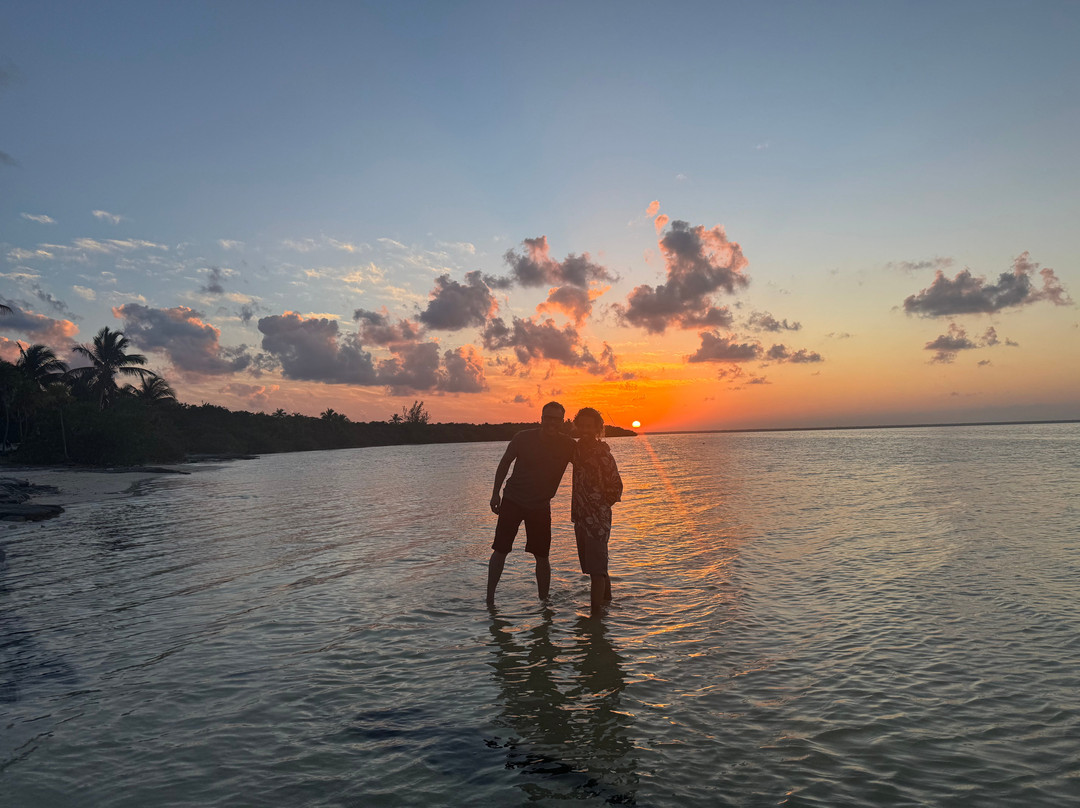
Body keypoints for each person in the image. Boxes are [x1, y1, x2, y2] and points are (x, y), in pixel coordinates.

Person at [487, 401, 576, 607]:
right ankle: (490, 599)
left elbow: (586, 464)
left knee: (542, 555)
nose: (551, 422)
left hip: (540, 506)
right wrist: (495, 494)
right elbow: (505, 463)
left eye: (556, 419)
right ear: (541, 418)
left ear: (562, 421)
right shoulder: (523, 438)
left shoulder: (569, 445)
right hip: (512, 501)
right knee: (501, 549)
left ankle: (544, 601)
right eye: (547, 418)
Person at [571, 407, 623, 614]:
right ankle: (607, 601)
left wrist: (600, 507)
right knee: (596, 567)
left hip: (597, 519)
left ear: (597, 428)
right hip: (580, 517)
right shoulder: (576, 449)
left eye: (589, 426)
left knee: (596, 569)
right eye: (581, 425)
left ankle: (596, 616)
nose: (585, 429)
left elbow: (616, 486)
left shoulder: (603, 453)